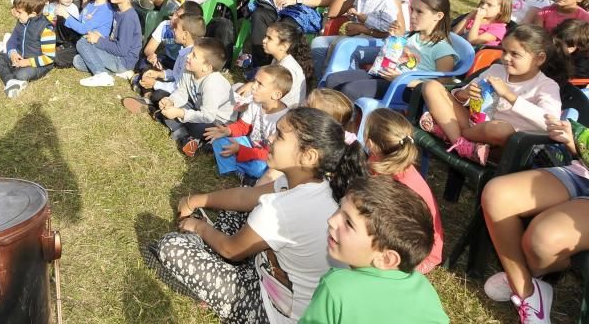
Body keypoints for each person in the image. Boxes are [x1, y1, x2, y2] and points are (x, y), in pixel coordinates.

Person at [146, 107, 367, 324]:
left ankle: (206, 280)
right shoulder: (314, 183)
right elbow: (246, 197)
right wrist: (196, 200)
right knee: (238, 210)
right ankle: (209, 247)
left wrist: (199, 228)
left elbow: (231, 250)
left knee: (171, 247)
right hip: (271, 274)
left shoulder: (284, 207)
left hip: (270, 311)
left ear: (308, 156)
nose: (270, 138)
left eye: (279, 135)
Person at [481, 113, 589, 323]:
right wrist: (573, 141)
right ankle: (524, 287)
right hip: (583, 171)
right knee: (497, 195)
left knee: (543, 238)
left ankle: (523, 273)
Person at [301, 177, 448, 324]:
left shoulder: (336, 288)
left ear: (386, 259)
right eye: (340, 207)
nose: (331, 221)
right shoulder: (424, 289)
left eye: (349, 223)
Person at [420, 25, 565, 165]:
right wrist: (464, 94)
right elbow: (459, 96)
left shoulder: (546, 86)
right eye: (504, 51)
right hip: (473, 125)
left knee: (499, 128)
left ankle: (449, 132)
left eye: (515, 54)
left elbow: (551, 124)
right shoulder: (496, 70)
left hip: (504, 146)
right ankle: (459, 143)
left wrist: (510, 96)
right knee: (431, 86)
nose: (506, 58)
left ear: (539, 59)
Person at [323, 0, 457, 106]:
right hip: (386, 76)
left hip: (406, 89)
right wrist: (394, 40)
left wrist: (403, 79)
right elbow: (393, 57)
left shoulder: (442, 49)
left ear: (438, 16)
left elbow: (441, 88)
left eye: (420, 12)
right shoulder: (412, 36)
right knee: (333, 80)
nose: (413, 15)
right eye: (412, 9)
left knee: (351, 90)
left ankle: (346, 130)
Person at [362, 109, 443, 274]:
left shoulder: (397, 186)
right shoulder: (389, 161)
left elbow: (400, 231)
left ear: (370, 144)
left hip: (418, 255)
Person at [150, 38, 235, 156]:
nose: (188, 56)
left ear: (206, 67)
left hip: (217, 120)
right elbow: (181, 93)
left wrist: (180, 113)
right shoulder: (188, 69)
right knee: (159, 95)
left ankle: (184, 135)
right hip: (198, 108)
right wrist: (171, 101)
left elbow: (208, 116)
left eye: (194, 55)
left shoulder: (213, 84)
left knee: (199, 129)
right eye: (191, 52)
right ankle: (186, 135)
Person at [205, 64, 291, 168]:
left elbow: (270, 154)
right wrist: (227, 130)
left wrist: (241, 150)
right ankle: (237, 165)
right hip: (248, 142)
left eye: (260, 84)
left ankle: (236, 167)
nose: (253, 86)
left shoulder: (284, 120)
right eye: (255, 81)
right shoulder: (256, 102)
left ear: (276, 95)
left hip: (264, 154)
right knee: (219, 141)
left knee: (259, 168)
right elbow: (243, 126)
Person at [0, 0, 56, 98]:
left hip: (39, 64)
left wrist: (27, 62)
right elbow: (12, 40)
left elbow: (49, 58)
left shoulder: (46, 30)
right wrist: (12, 53)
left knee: (21, 74)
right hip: (20, 58)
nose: (16, 14)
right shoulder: (21, 22)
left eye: (19, 12)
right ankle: (10, 81)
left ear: (33, 14)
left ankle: (5, 73)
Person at [75, 0, 142, 87]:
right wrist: (100, 36)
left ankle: (101, 74)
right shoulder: (118, 12)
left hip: (123, 60)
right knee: (77, 61)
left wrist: (98, 40)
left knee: (82, 42)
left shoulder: (128, 17)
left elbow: (122, 50)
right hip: (117, 58)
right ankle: (120, 73)